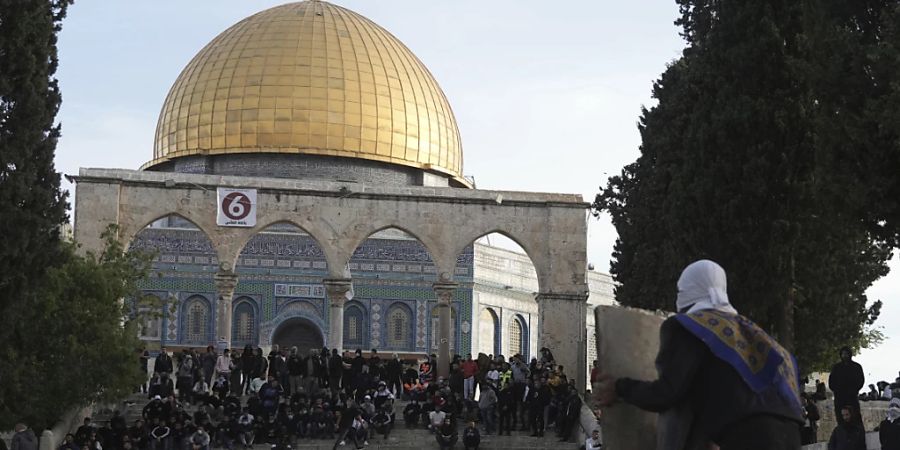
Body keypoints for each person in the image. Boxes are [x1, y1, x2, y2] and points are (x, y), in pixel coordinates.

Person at [596, 260, 804, 449]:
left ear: (686, 290)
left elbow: (668, 393)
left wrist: (619, 387)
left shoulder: (690, 326)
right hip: (793, 437)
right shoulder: (756, 335)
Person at [829, 347, 865, 428]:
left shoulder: (856, 367)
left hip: (851, 396)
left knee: (855, 416)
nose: (845, 356)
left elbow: (860, 380)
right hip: (840, 397)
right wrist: (837, 391)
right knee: (841, 417)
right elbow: (831, 381)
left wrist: (854, 390)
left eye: (846, 354)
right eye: (843, 354)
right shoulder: (837, 368)